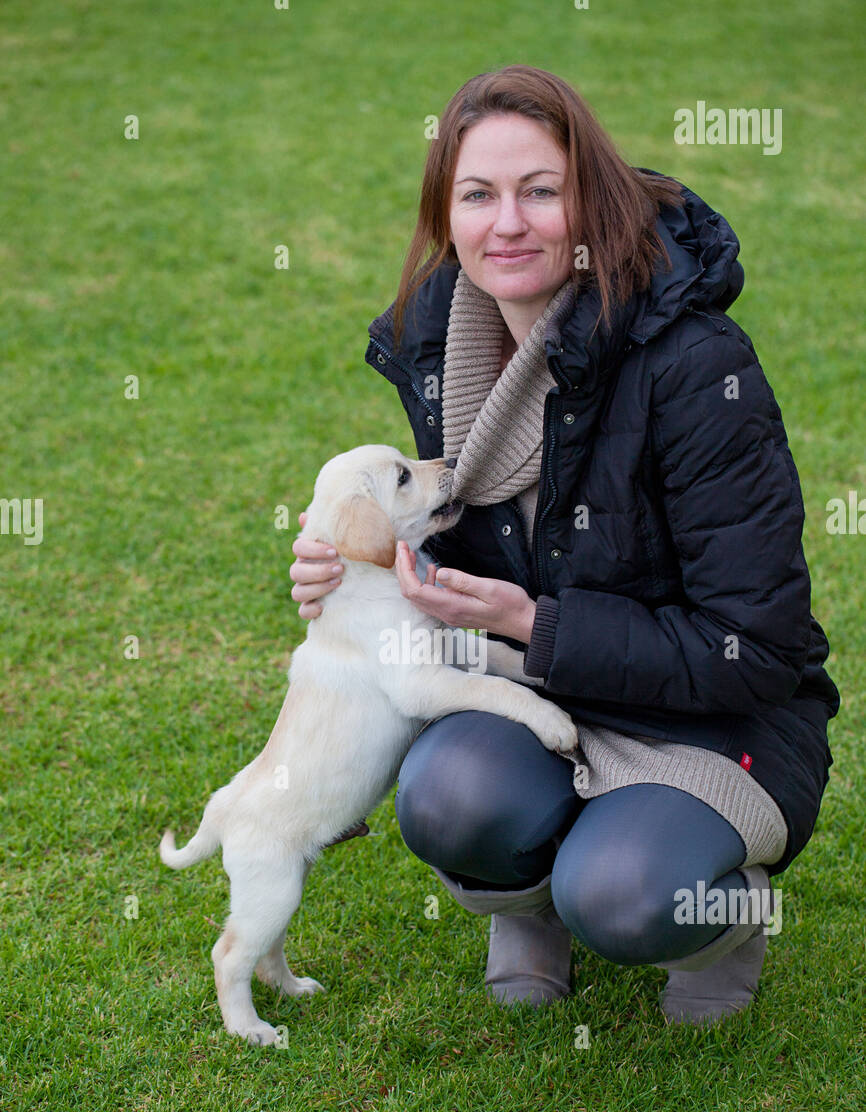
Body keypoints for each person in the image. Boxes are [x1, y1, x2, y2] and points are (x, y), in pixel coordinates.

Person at [290, 65, 840, 1025]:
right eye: (477, 195)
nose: (508, 223)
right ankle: (529, 905)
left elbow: (753, 648)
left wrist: (531, 620)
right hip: (532, 688)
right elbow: (442, 542)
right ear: (444, 216)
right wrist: (351, 575)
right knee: (449, 799)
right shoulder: (442, 346)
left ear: (590, 201)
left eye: (540, 191)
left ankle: (724, 917)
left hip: (713, 723)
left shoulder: (696, 364)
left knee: (622, 891)